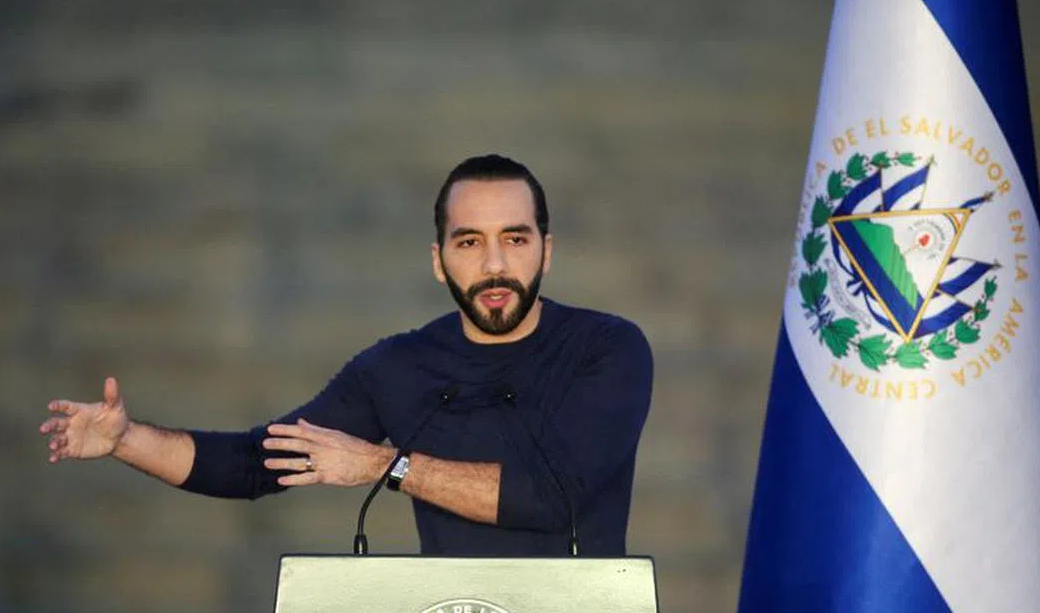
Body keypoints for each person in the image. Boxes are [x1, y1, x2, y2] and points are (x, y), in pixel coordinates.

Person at [39, 154, 653, 556]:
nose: (494, 265)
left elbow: (551, 496)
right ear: (439, 261)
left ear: (546, 251)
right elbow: (256, 463)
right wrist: (126, 440)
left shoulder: (607, 349)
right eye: (470, 242)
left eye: (514, 239)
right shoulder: (399, 368)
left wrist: (386, 466)